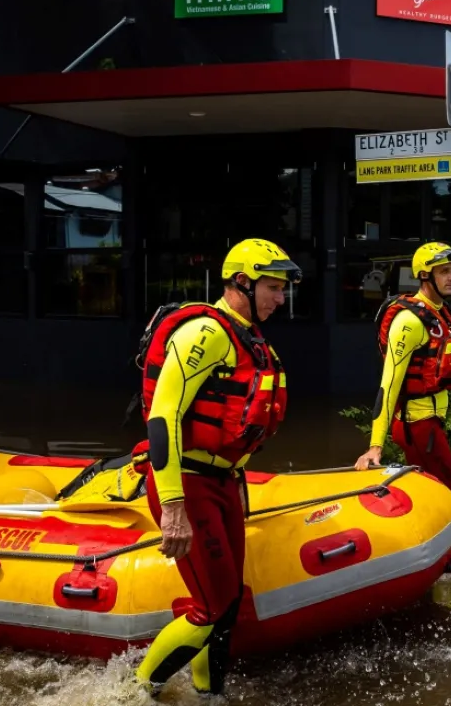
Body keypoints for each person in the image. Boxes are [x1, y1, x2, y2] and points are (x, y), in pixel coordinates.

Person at [133, 238, 300, 698]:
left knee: (227, 607)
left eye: (283, 289)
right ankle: (134, 692)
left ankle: (210, 695)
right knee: (210, 607)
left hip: (221, 482)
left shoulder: (251, 339)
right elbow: (162, 417)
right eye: (273, 287)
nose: (280, 298)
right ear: (242, 283)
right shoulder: (204, 335)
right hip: (186, 481)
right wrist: (172, 505)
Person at [353, 242, 451, 506]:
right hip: (417, 425)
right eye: (444, 271)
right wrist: (376, 446)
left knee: (436, 498)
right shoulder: (408, 322)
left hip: (430, 423)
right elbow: (389, 384)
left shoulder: (441, 316)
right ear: (424, 275)